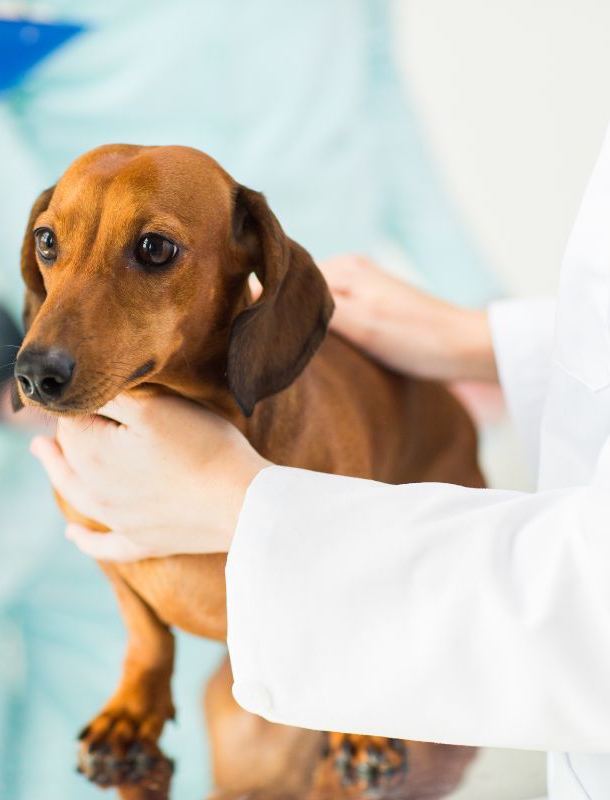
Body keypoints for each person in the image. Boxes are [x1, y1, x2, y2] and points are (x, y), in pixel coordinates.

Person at [31, 118, 610, 800]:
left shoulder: (322, 440)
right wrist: (484, 339)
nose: (44, 350)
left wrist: (242, 502)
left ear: (250, 262)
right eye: (50, 242)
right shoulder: (96, 428)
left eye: (153, 250)